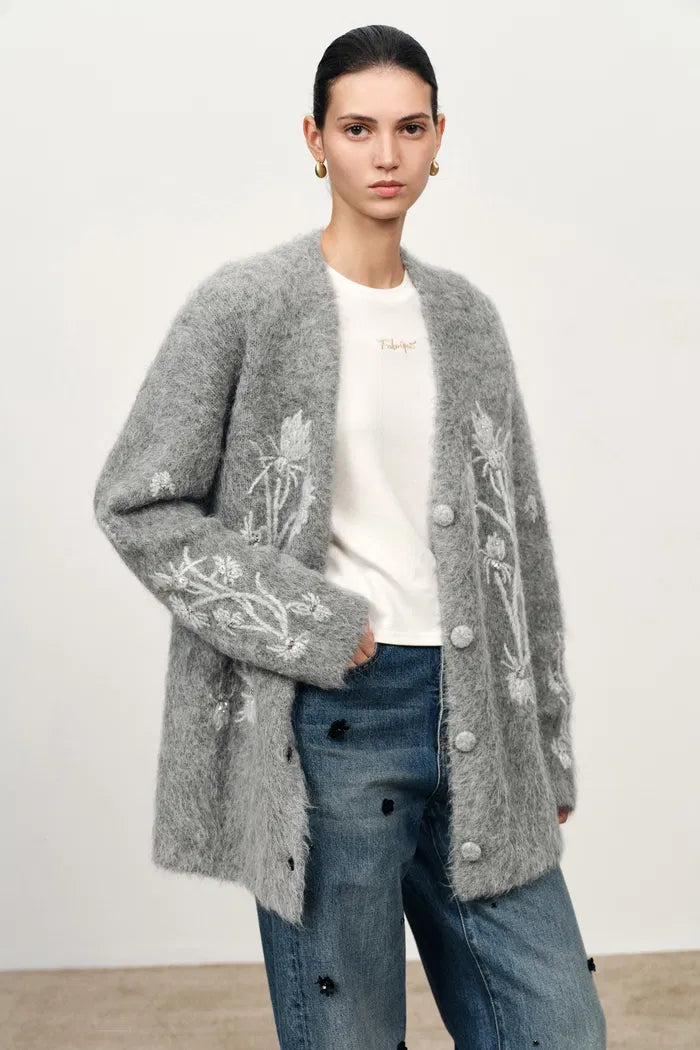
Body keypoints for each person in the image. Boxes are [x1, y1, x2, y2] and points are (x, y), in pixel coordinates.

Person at [93, 22, 607, 1050]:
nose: (386, 154)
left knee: (558, 1029)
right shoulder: (246, 304)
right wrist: (310, 622)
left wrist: (545, 747)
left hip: (478, 723)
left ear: (438, 138)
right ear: (314, 139)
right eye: (358, 128)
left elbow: (521, 546)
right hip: (331, 725)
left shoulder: (466, 317)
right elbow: (138, 502)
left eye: (409, 128)